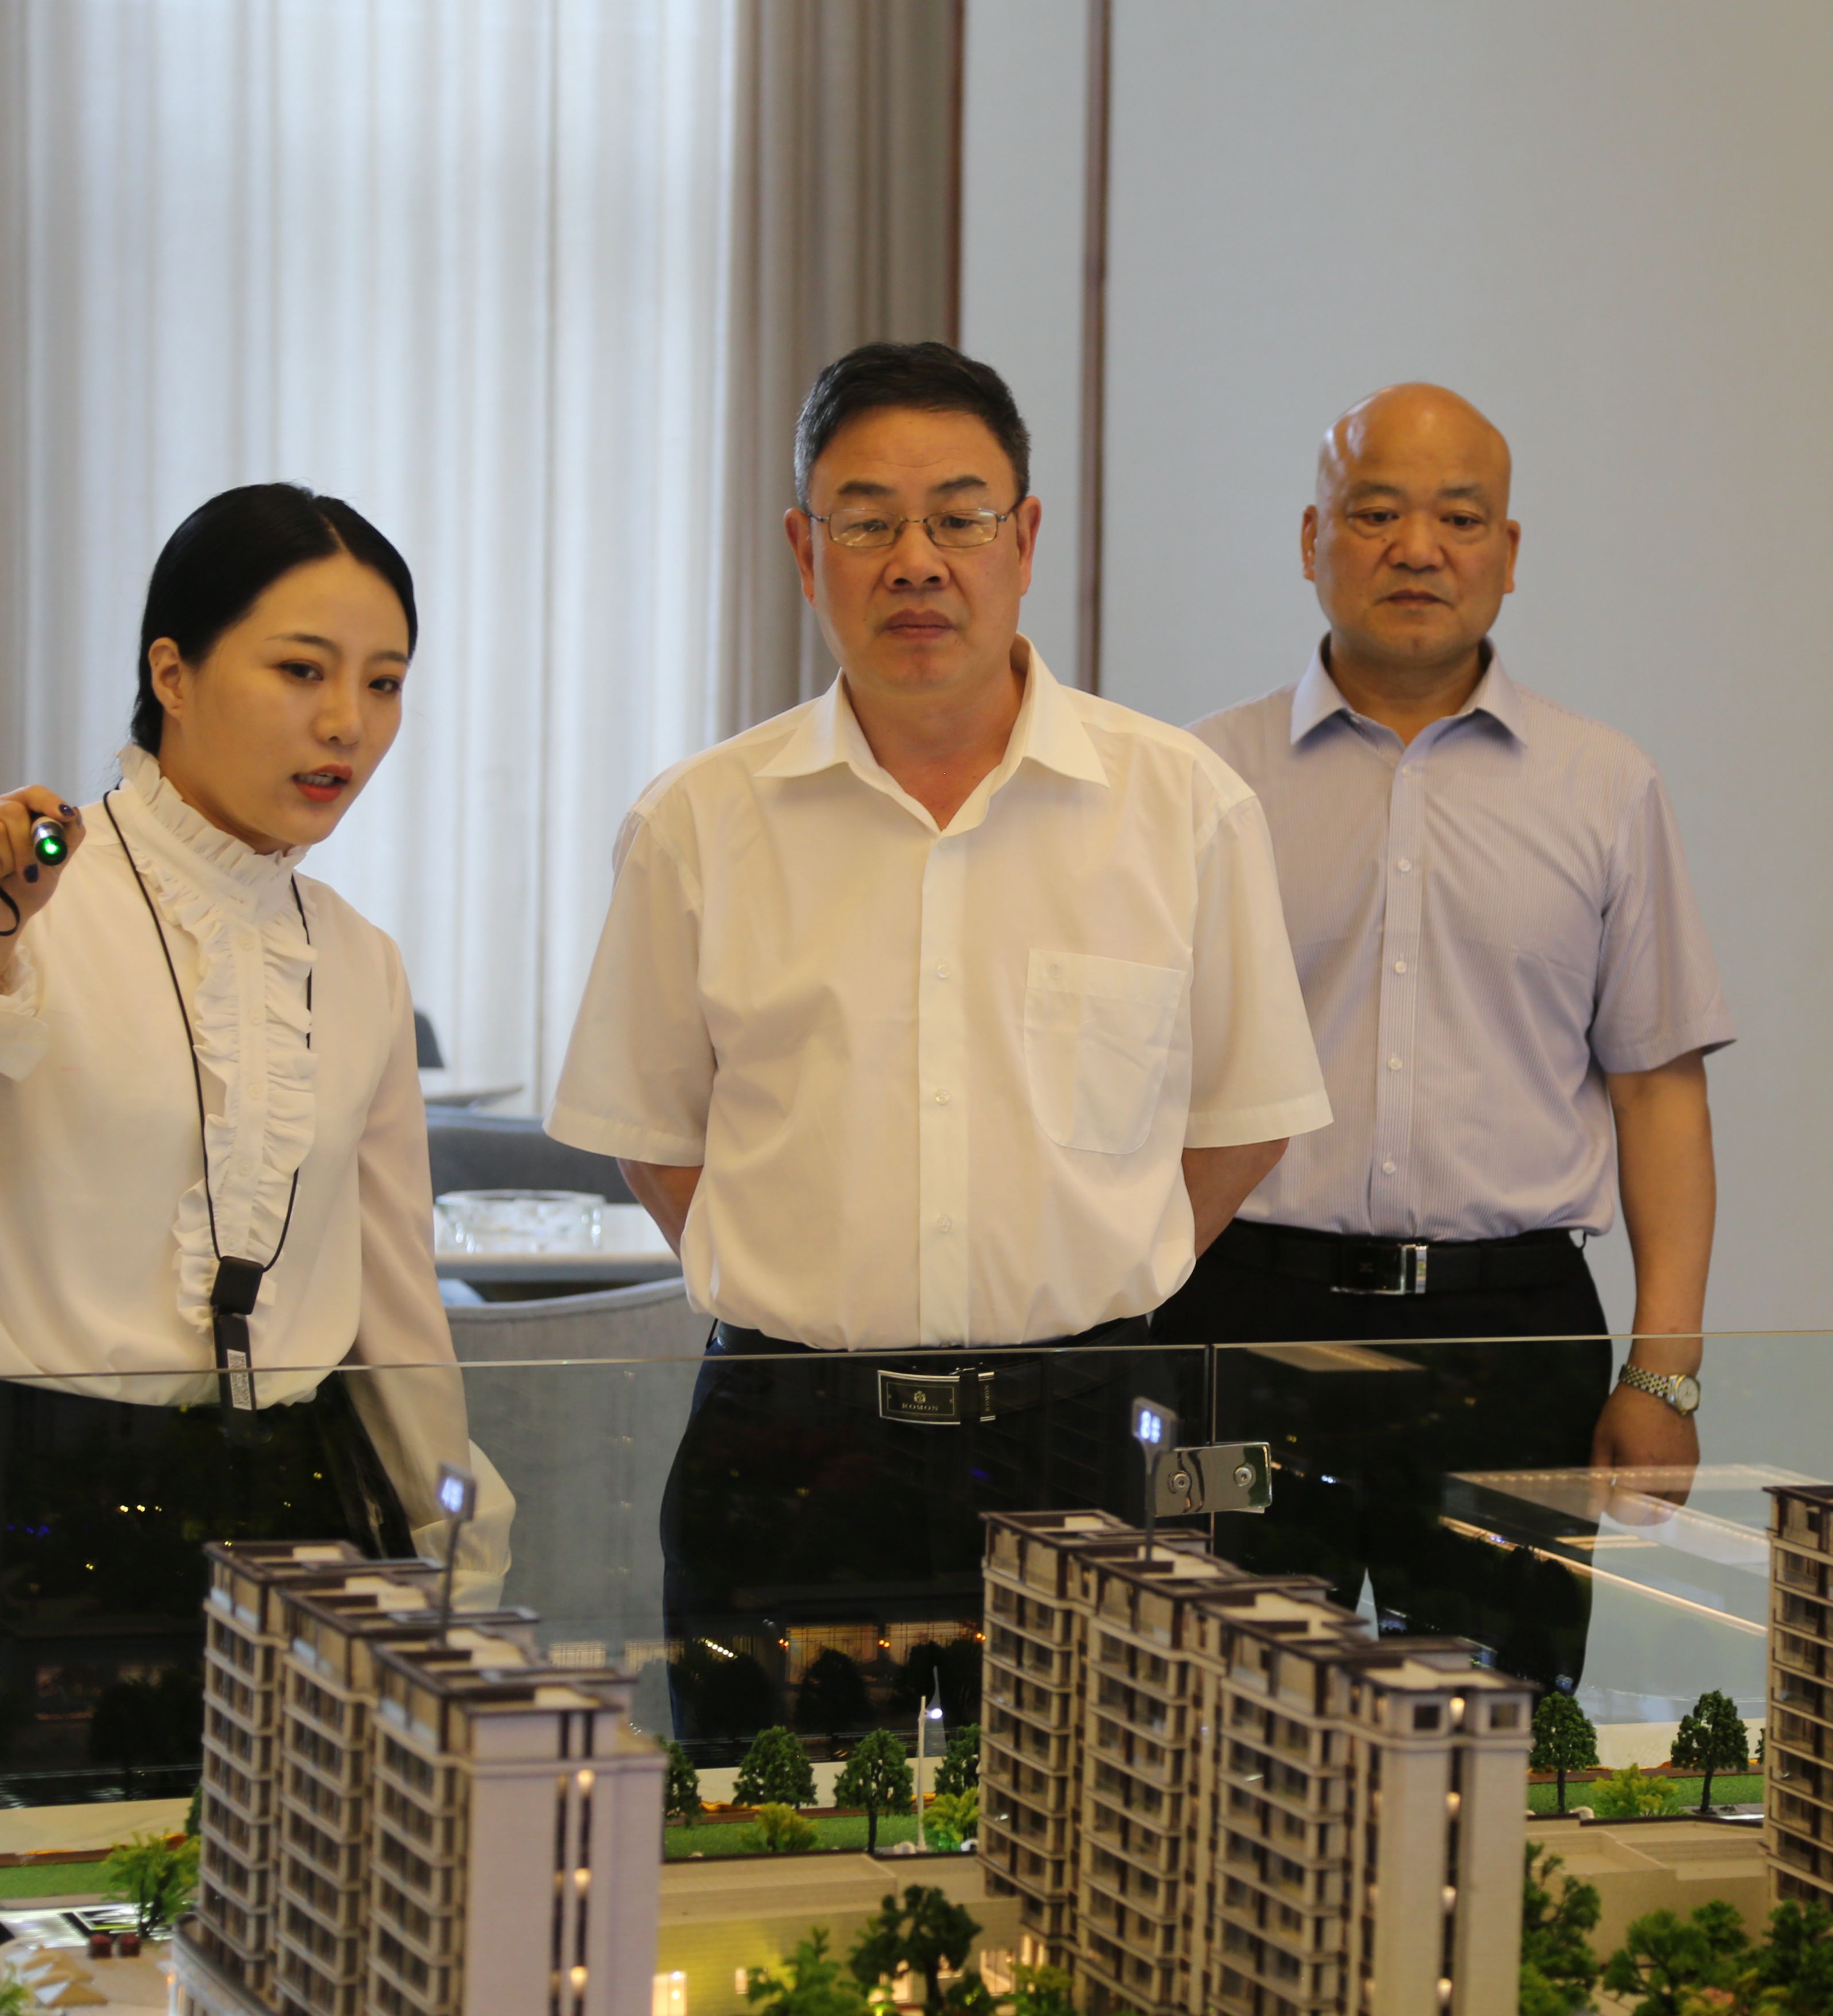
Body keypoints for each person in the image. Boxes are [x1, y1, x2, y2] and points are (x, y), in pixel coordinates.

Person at [547, 341, 1330, 1745]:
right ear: (806, 550)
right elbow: (655, 1139)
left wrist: (1092, 1270)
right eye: (867, 522)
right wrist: (807, 1289)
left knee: (1110, 1835)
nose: (916, 561)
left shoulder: (1181, 807)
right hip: (791, 1442)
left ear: (1024, 539)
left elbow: (1242, 1120)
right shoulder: (699, 823)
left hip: (1088, 1435)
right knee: (774, 1845)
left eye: (959, 517)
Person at [0, 483, 507, 1791]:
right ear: (170, 673)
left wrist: (455, 1531)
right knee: (35, 1900)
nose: (348, 724)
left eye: (385, 683)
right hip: (27, 1496)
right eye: (302, 670)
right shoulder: (8, 888)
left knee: (295, 1888)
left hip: (296, 1497)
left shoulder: (358, 959)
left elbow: (393, 1290)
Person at [1155, 383, 1733, 1692]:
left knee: (1500, 1732)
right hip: (1243, 1323)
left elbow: (1659, 1092)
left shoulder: (1604, 787)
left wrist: (1666, 1375)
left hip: (1510, 1341)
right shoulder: (1199, 782)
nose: (1417, 548)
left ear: (1508, 553)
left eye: (1459, 518)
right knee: (1220, 1721)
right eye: (1375, 513)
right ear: (1313, 540)